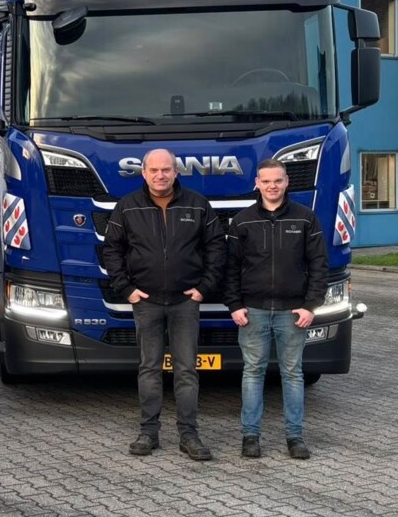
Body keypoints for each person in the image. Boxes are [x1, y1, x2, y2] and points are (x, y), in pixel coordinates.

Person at [102, 148, 226, 461]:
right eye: (154, 170)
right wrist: (127, 289)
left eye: (166, 170)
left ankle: (189, 435)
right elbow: (111, 251)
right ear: (143, 173)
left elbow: (216, 248)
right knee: (149, 369)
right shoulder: (127, 207)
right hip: (147, 301)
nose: (160, 175)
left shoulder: (197, 205)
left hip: (186, 302)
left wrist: (204, 288)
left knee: (186, 370)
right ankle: (149, 432)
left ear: (176, 172)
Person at [224, 158, 328, 461]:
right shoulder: (242, 221)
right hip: (252, 311)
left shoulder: (305, 218)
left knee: (293, 374)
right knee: (252, 373)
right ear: (257, 183)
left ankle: (295, 437)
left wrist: (310, 305)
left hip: (293, 311)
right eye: (266, 181)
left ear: (286, 182)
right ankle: (250, 436)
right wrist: (235, 305)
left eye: (278, 180)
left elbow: (319, 264)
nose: (272, 186)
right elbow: (230, 268)